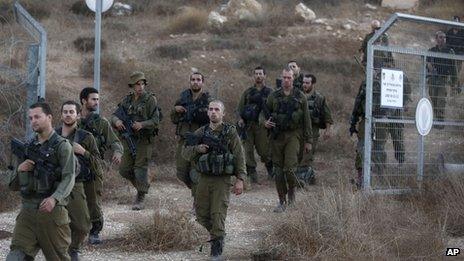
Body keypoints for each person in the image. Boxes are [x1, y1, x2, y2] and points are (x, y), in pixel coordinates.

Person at [6, 102, 75, 261]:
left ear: (49, 117)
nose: (33, 121)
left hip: (51, 213)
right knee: (15, 257)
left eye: (37, 116)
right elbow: (13, 185)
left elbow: (69, 177)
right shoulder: (28, 147)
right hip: (27, 213)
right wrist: (20, 170)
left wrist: (54, 198)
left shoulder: (62, 146)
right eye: (30, 118)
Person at [182, 100, 245, 260]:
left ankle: (216, 249)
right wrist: (197, 148)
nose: (213, 112)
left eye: (217, 109)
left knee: (217, 213)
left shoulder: (230, 132)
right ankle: (218, 235)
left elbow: (239, 155)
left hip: (222, 180)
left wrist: (240, 179)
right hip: (204, 178)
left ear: (223, 113)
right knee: (201, 214)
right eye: (210, 109)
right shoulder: (201, 132)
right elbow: (185, 153)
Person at [57, 100, 102, 260]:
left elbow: (99, 164)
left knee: (83, 226)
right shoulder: (52, 135)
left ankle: (73, 249)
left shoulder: (86, 137)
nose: (68, 115)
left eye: (71, 112)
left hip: (76, 185)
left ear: (78, 115)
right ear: (60, 115)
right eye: (65, 112)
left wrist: (84, 152)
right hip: (53, 185)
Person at [78, 87, 123, 244]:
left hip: (94, 166)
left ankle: (95, 230)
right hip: (74, 168)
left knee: (93, 201)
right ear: (84, 100)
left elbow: (115, 141)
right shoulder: (74, 121)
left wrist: (118, 152)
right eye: (93, 99)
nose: (96, 102)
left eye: (97, 99)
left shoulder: (101, 123)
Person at [111, 71, 161, 210]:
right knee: (124, 170)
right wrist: (117, 121)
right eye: (137, 84)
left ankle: (140, 197)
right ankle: (143, 186)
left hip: (144, 140)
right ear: (132, 86)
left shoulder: (150, 99)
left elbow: (156, 120)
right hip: (128, 139)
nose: (140, 87)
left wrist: (142, 124)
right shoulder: (127, 100)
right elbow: (114, 115)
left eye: (142, 83)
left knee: (140, 169)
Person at [264, 68, 312, 213]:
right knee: (278, 172)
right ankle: (282, 200)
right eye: (284, 77)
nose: (286, 80)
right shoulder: (273, 96)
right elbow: (264, 113)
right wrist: (265, 123)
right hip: (277, 137)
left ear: (293, 78)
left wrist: (309, 140)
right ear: (281, 78)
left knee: (290, 169)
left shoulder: (300, 96)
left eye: (289, 78)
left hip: (294, 136)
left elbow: (306, 120)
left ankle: (291, 195)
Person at [170, 72, 211, 210]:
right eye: (193, 79)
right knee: (181, 172)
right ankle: (198, 189)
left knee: (195, 172)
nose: (195, 82)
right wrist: (176, 110)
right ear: (190, 82)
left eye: (198, 80)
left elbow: (212, 118)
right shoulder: (183, 97)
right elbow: (173, 119)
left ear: (202, 82)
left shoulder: (207, 99)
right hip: (184, 140)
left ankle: (196, 202)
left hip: (199, 140)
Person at [237, 66, 273, 185]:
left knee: (264, 151)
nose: (258, 76)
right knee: (247, 150)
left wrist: (269, 122)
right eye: (256, 74)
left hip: (262, 127)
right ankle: (252, 173)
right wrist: (241, 119)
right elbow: (240, 108)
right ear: (253, 76)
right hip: (248, 126)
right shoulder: (248, 92)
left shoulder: (270, 92)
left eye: (260, 74)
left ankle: (270, 169)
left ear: (265, 76)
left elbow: (274, 109)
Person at [296, 74, 333, 186]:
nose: (305, 85)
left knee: (308, 155)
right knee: (298, 155)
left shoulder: (319, 98)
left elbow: (327, 116)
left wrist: (328, 130)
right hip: (298, 131)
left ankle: (302, 181)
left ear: (313, 84)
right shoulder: (298, 96)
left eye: (307, 83)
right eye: (303, 82)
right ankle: (310, 176)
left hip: (313, 131)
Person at [427, 31, 457, 124]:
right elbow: (427, 62)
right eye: (440, 37)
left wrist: (454, 82)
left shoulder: (449, 51)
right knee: (434, 98)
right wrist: (429, 66)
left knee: (441, 99)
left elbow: (454, 67)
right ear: (436, 39)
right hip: (433, 78)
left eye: (444, 37)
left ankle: (440, 120)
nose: (443, 39)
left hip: (443, 79)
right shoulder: (432, 51)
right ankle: (436, 117)